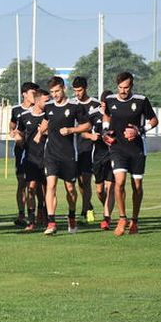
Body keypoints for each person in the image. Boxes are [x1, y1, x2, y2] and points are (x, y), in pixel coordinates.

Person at [102, 72, 158, 236]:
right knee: (119, 182)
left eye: (126, 87)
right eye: (120, 87)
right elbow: (106, 116)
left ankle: (135, 220)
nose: (123, 91)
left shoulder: (141, 101)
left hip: (137, 149)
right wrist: (105, 131)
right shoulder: (110, 100)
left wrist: (139, 130)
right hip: (118, 148)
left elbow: (154, 120)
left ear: (131, 86)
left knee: (137, 187)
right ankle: (122, 218)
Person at [39, 76, 90, 236]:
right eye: (52, 92)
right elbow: (46, 122)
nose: (54, 94)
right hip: (51, 153)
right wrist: (40, 132)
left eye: (57, 91)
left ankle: (72, 215)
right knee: (51, 185)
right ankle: (51, 222)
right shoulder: (48, 107)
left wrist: (71, 130)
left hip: (69, 154)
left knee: (70, 189)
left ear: (63, 88)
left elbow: (87, 125)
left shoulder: (75, 106)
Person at [14, 89, 50, 232]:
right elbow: (19, 132)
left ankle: (47, 215)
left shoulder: (50, 116)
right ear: (37, 100)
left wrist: (46, 132)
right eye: (46, 101)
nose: (49, 104)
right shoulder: (24, 116)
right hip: (31, 158)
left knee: (47, 188)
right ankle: (31, 219)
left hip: (48, 156)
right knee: (31, 188)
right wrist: (18, 138)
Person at [82, 90, 115, 230]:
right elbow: (83, 132)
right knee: (100, 190)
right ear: (101, 103)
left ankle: (106, 218)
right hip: (97, 156)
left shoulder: (117, 114)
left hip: (113, 155)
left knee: (110, 187)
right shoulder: (93, 114)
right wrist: (91, 137)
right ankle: (106, 206)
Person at [71, 76, 101, 223]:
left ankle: (86, 210)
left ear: (86, 88)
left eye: (80, 90)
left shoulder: (95, 104)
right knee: (78, 182)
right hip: (73, 147)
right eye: (75, 90)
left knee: (86, 180)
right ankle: (87, 205)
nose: (78, 93)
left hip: (89, 148)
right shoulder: (71, 104)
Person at [10, 82, 39, 227]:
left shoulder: (40, 109)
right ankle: (22, 214)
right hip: (21, 151)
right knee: (22, 183)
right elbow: (12, 126)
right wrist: (14, 133)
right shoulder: (16, 110)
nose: (35, 96)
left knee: (37, 184)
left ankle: (40, 213)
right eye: (32, 93)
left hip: (38, 151)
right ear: (24, 94)